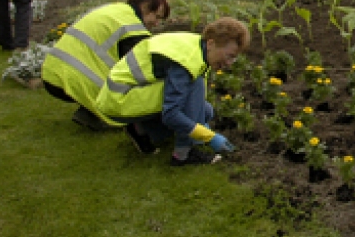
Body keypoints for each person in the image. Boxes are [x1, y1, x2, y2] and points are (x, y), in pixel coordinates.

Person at [95, 17, 249, 166]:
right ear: (211, 43)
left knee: (206, 111)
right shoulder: (185, 63)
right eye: (229, 56)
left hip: (127, 94)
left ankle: (141, 128)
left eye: (233, 59)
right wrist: (209, 136)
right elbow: (171, 114)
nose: (229, 63)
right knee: (191, 88)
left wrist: (200, 124)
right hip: (119, 99)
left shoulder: (197, 48)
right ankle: (183, 155)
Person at [42, 0, 171, 131]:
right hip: (72, 78)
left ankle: (89, 113)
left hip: (51, 71)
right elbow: (142, 71)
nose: (157, 23)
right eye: (156, 17)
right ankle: (98, 116)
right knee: (124, 97)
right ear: (146, 7)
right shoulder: (133, 28)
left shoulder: (116, 10)